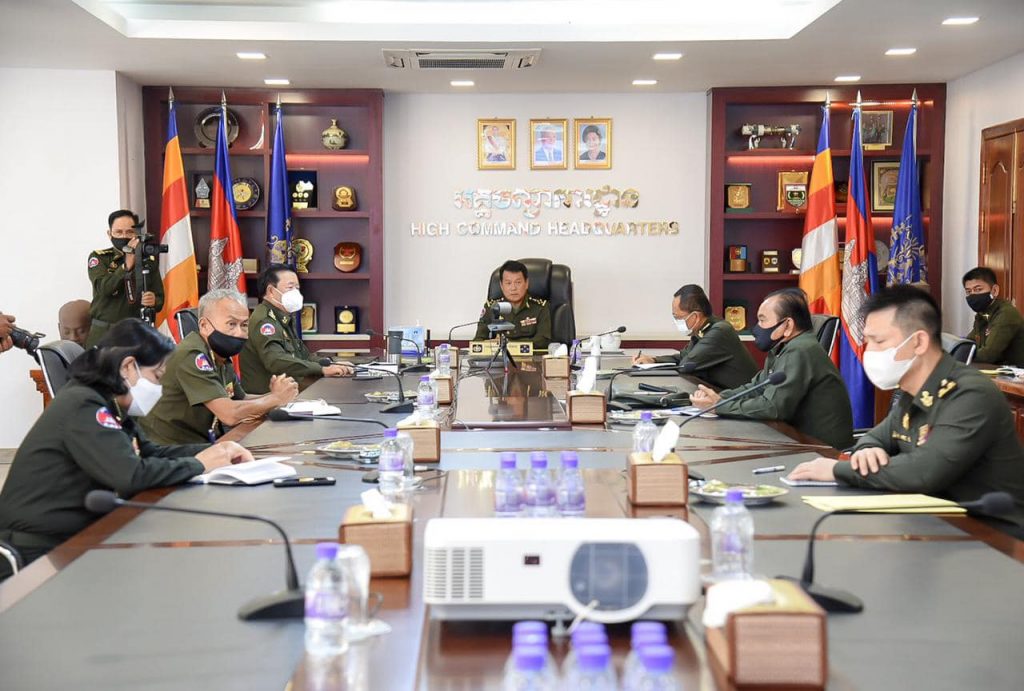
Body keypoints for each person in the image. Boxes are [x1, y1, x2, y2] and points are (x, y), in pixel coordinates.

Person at [0, 319, 252, 579]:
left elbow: (149, 451)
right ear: (128, 367)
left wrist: (219, 450)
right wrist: (200, 464)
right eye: (157, 376)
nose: (159, 389)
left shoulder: (107, 399)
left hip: (76, 536)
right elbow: (130, 475)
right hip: (38, 550)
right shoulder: (84, 404)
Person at [789, 285, 1024, 535]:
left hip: (992, 538)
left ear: (919, 342)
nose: (869, 352)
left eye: (879, 341)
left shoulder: (970, 394)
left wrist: (837, 470)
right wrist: (867, 450)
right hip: (930, 525)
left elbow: (924, 472)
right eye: (867, 341)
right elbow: (876, 437)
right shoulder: (912, 390)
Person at [691, 288, 854, 449]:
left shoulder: (800, 350)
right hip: (795, 439)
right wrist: (718, 398)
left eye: (763, 320)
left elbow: (773, 407)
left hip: (822, 450)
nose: (757, 327)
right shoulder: (781, 348)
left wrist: (719, 406)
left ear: (788, 325)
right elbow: (756, 387)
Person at [141, 289, 299, 445]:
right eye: (231, 324)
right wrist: (275, 399)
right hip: (168, 450)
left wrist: (275, 395)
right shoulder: (192, 355)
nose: (239, 333)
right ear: (204, 325)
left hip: (199, 443)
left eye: (244, 325)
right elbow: (229, 414)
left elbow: (240, 399)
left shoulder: (219, 354)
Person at [240, 264, 353, 393]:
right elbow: (276, 361)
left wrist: (332, 363)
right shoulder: (265, 321)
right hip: (267, 397)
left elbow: (303, 357)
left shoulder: (283, 318)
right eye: (290, 287)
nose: (296, 293)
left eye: (297, 288)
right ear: (271, 291)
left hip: (290, 392)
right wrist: (322, 370)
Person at [633, 284, 757, 389]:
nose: (676, 321)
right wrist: (653, 360)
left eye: (678, 317)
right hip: (720, 393)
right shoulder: (702, 329)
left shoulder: (719, 331)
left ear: (695, 316)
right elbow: (684, 356)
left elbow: (686, 365)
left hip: (740, 399)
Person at [85, 210, 164, 347]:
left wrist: (153, 300)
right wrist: (126, 265)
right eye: (118, 232)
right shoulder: (99, 258)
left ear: (136, 234)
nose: (124, 236)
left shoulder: (147, 260)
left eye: (129, 232)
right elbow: (104, 288)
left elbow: (160, 298)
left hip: (136, 334)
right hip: (105, 332)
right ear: (109, 234)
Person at [474, 260, 552, 349]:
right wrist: (488, 345)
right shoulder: (491, 307)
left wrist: (507, 344)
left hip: (529, 356)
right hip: (499, 357)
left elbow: (543, 341)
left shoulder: (540, 307)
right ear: (501, 285)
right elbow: (478, 340)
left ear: (526, 283)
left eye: (518, 282)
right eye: (508, 283)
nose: (513, 288)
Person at [962, 266, 1024, 366]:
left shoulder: (1005, 313)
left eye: (978, 289)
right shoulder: (982, 314)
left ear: (994, 290)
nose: (972, 295)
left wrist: (959, 355)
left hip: (1016, 373)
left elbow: (988, 355)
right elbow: (969, 343)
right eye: (968, 291)